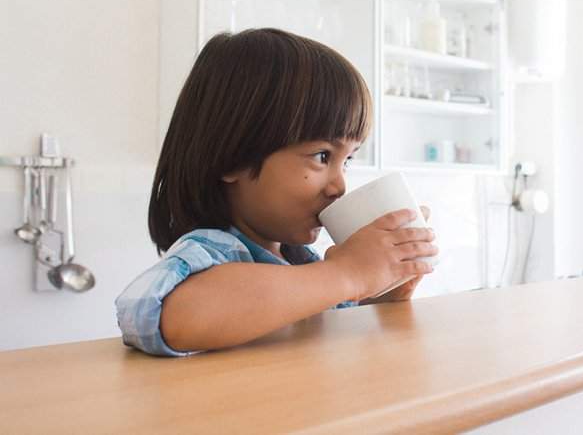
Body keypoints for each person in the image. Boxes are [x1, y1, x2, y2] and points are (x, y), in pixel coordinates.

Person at [115, 28, 437, 357]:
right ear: (233, 157)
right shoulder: (210, 255)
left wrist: (384, 288)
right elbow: (173, 317)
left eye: (347, 160)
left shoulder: (303, 267)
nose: (339, 185)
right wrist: (348, 273)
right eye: (322, 156)